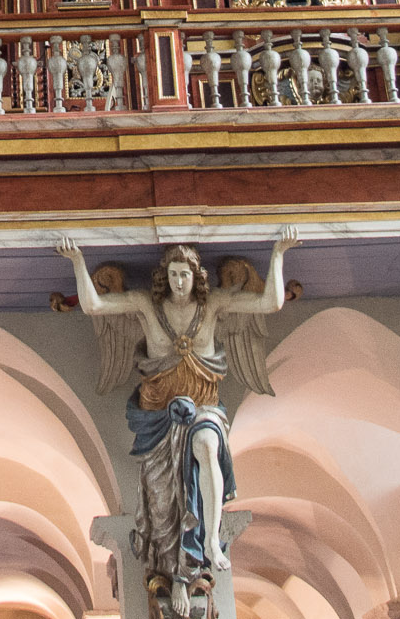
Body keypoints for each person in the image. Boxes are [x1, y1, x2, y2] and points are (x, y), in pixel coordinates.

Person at [57, 231, 299, 617]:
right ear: (164, 277)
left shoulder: (213, 304)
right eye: (173, 275)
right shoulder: (145, 305)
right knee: (163, 504)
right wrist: (77, 262)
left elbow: (269, 302)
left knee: (206, 446)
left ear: (196, 276)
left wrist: (278, 252)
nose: (179, 282)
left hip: (203, 408)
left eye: (185, 274)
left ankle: (212, 540)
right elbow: (94, 305)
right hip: (158, 417)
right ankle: (179, 572)